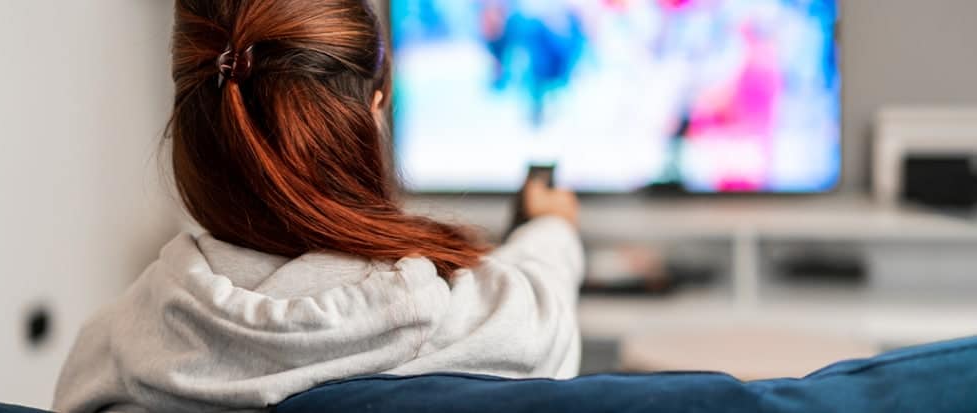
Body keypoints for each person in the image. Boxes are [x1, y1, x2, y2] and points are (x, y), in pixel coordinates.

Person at [53, 1, 584, 412]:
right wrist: (551, 225)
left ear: (195, 132)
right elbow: (547, 302)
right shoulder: (473, 322)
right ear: (374, 110)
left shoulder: (109, 351)